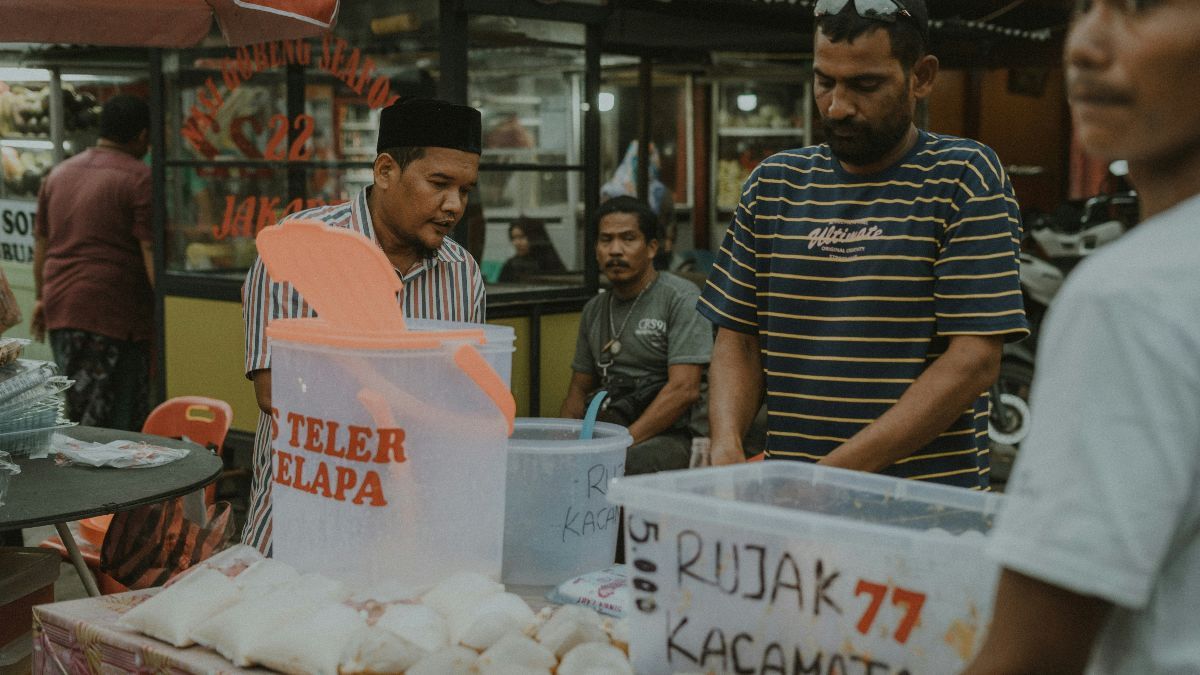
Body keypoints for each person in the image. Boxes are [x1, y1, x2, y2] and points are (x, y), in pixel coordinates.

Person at [697, 0, 1027, 488]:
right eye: (824, 81)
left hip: (921, 508)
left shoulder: (964, 176)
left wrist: (827, 479)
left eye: (865, 85)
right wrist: (726, 448)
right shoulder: (774, 184)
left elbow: (973, 360)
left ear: (922, 76)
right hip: (791, 503)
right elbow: (739, 340)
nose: (837, 106)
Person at [965, 2, 1200, 672]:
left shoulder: (1134, 296)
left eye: (1140, 6)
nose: (1085, 46)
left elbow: (1030, 655)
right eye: (1083, 7)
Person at [241, 97, 486, 554]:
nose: (454, 205)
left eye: (466, 190)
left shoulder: (462, 271)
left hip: (414, 518)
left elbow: (463, 393)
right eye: (439, 183)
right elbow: (277, 393)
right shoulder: (301, 248)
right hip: (312, 507)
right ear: (386, 171)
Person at [560, 196, 712, 475]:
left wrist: (622, 443)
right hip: (614, 424)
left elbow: (684, 390)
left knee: (616, 467)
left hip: (677, 433)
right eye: (606, 240)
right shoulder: (595, 309)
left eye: (628, 239)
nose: (615, 250)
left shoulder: (680, 298)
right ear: (596, 250)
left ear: (652, 247)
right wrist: (563, 446)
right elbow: (578, 391)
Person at [31, 94, 154, 431]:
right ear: (143, 135)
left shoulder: (58, 174)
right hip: (113, 315)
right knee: (116, 421)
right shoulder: (139, 178)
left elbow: (42, 243)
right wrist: (167, 308)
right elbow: (150, 251)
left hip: (62, 310)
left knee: (82, 410)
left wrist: (41, 298)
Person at [498, 216, 566, 283]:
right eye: (514, 238)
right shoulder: (510, 266)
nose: (516, 243)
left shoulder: (550, 264)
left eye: (521, 237)